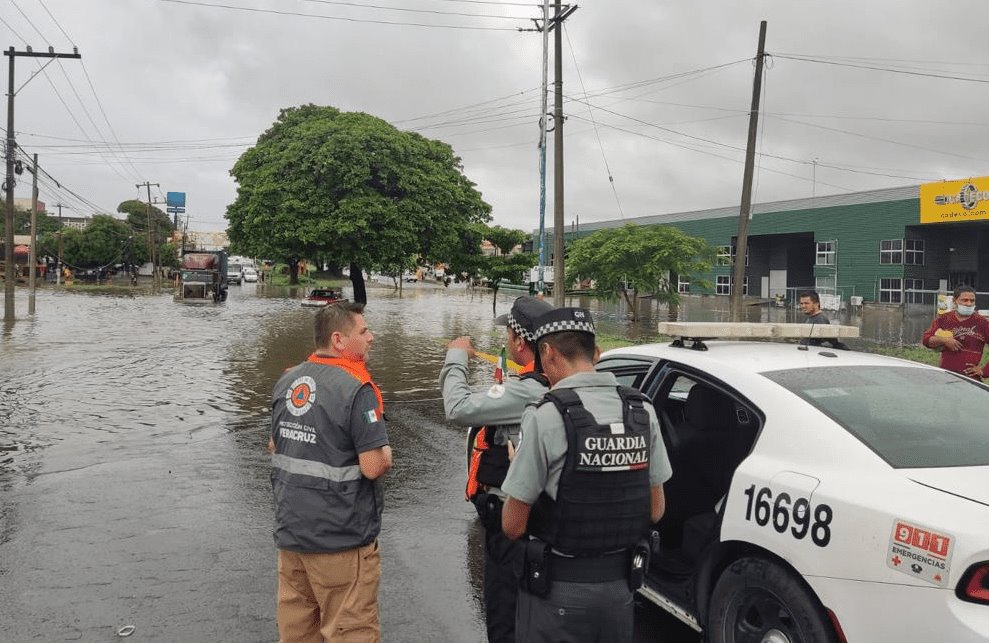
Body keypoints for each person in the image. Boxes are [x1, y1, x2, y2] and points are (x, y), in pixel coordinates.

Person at [501, 307, 672, 643]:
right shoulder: (642, 410)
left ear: (547, 353)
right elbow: (655, 510)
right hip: (620, 591)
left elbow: (512, 525)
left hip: (557, 594)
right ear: (596, 353)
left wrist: (517, 465)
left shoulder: (546, 416)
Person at [270, 301, 392, 643]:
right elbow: (373, 466)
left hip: (292, 535)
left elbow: (275, 446)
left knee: (297, 632)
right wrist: (386, 451)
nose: (372, 337)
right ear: (339, 340)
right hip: (340, 538)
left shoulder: (288, 380)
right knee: (350, 630)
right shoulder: (357, 390)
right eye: (364, 331)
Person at [439, 295, 554, 643]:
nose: (506, 340)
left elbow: (457, 407)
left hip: (515, 528)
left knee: (506, 621)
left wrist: (456, 356)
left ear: (520, 342)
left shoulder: (527, 392)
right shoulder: (552, 382)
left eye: (509, 334)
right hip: (551, 527)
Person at [922, 285, 989, 379]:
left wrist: (984, 371)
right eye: (964, 300)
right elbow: (926, 340)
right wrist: (945, 340)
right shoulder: (944, 319)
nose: (969, 304)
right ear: (954, 301)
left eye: (972, 300)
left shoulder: (982, 322)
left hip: (970, 378)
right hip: (945, 375)